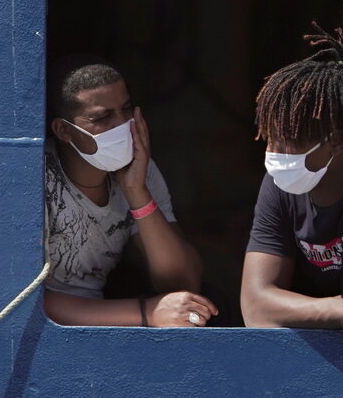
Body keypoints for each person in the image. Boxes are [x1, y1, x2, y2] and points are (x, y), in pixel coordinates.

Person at [240, 11, 343, 369]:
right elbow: (255, 306)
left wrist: (296, 307)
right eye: (269, 140)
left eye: (285, 142)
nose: (272, 155)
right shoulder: (280, 184)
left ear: (334, 140)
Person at [43, 56, 218, 327]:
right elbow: (22, 301)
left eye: (126, 110)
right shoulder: (38, 178)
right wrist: (146, 313)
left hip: (102, 319)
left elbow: (183, 282)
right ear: (64, 130)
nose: (122, 125)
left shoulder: (141, 169)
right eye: (103, 117)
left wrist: (136, 191)